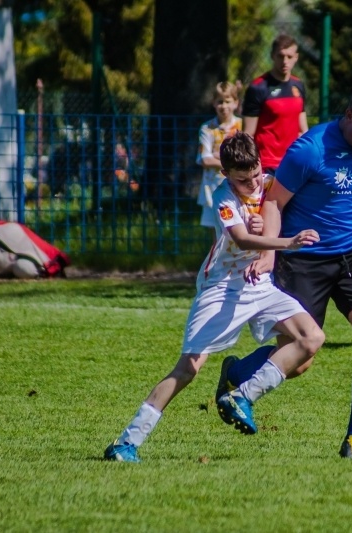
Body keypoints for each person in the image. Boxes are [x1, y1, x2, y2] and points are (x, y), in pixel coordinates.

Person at [218, 74, 352, 459]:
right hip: (304, 259)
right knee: (300, 360)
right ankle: (237, 374)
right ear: (349, 114)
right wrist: (271, 253)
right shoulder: (310, 150)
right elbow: (273, 202)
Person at [104, 132, 324, 462]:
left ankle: (243, 395)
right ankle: (126, 442)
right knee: (188, 369)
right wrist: (285, 243)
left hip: (259, 285)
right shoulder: (222, 197)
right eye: (242, 180)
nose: (252, 185)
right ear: (226, 175)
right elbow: (242, 239)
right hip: (222, 288)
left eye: (255, 175)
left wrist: (268, 241)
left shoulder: (267, 181)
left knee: (310, 340)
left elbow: (281, 203)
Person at [242, 34, 308, 173]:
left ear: (296, 57)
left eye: (289, 56)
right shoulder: (258, 87)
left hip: (292, 163)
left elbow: (303, 130)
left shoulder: (298, 85)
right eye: (280, 56)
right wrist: (250, 167)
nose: (285, 61)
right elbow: (248, 133)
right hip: (266, 165)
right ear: (272, 55)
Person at [196, 81, 242, 229]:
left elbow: (245, 157)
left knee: (238, 228)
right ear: (213, 103)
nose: (224, 106)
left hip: (238, 187)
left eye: (228, 101)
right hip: (213, 187)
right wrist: (231, 163)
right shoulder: (207, 128)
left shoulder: (242, 127)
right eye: (220, 101)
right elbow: (205, 159)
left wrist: (217, 156)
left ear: (235, 103)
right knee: (216, 233)